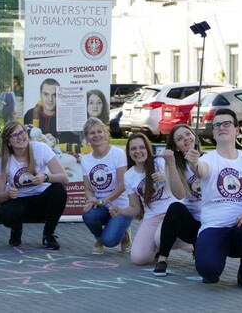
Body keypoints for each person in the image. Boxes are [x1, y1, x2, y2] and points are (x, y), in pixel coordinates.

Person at [185, 108, 242, 290]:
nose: (221, 128)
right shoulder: (208, 158)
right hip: (214, 227)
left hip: (241, 225)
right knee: (209, 271)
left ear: (237, 130)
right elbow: (201, 170)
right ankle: (211, 257)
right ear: (213, 132)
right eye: (217, 125)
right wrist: (193, 162)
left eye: (226, 124)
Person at [109, 133, 186, 265]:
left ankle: (191, 243)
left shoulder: (160, 162)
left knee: (160, 238)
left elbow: (181, 189)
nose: (138, 151)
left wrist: (166, 178)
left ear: (147, 148)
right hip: (152, 216)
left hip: (173, 212)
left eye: (142, 147)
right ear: (128, 152)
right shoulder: (129, 176)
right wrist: (120, 211)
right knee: (138, 258)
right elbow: (135, 208)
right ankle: (157, 247)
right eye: (133, 149)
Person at [0, 121, 69, 250]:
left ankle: (48, 234)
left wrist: (45, 178)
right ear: (8, 142)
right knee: (8, 212)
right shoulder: (2, 160)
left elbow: (64, 178)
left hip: (42, 199)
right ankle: (16, 229)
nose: (20, 137)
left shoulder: (41, 148)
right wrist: (8, 193)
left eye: (22, 132)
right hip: (19, 201)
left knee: (59, 190)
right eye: (14, 135)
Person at [153, 124, 203, 276]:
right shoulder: (177, 166)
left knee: (204, 266)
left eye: (188, 134)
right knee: (175, 207)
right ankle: (163, 258)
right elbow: (180, 194)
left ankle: (198, 249)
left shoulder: (210, 158)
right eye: (180, 139)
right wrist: (171, 163)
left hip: (210, 223)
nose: (186, 139)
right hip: (191, 223)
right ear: (176, 147)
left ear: (194, 136)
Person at [80, 117, 132, 255]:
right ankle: (99, 238)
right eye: (92, 133)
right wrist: (91, 199)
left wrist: (104, 201)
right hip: (100, 206)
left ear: (105, 133)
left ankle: (123, 234)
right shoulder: (85, 160)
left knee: (110, 241)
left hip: (121, 206)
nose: (96, 135)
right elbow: (88, 189)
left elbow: (122, 185)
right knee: (88, 214)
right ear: (87, 138)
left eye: (99, 131)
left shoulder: (118, 153)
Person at [23, 78, 80, 145]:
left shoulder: (69, 116)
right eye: (46, 94)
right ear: (40, 95)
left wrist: (56, 141)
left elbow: (76, 142)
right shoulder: (29, 114)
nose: (50, 99)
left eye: (54, 95)